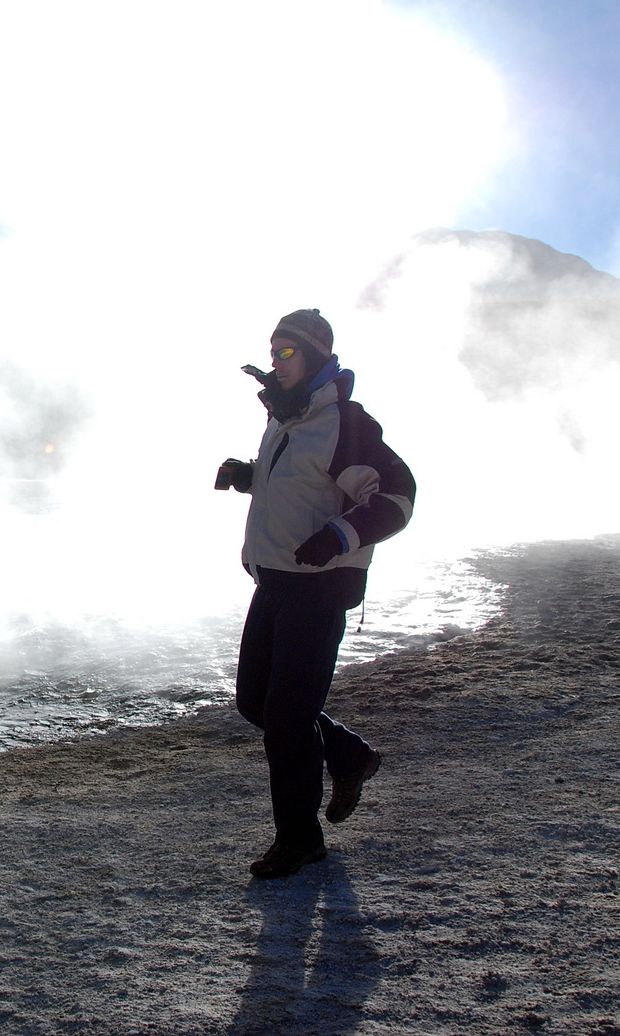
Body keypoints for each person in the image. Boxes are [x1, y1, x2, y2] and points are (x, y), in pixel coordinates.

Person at [218, 309, 415, 879]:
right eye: (272, 351)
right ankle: (350, 756)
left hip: (317, 590)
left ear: (315, 357)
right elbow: (301, 479)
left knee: (285, 718)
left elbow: (397, 497)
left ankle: (300, 841)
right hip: (274, 581)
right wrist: (249, 475)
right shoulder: (286, 419)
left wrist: (339, 535)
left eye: (287, 353)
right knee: (257, 703)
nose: (276, 362)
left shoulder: (345, 423)